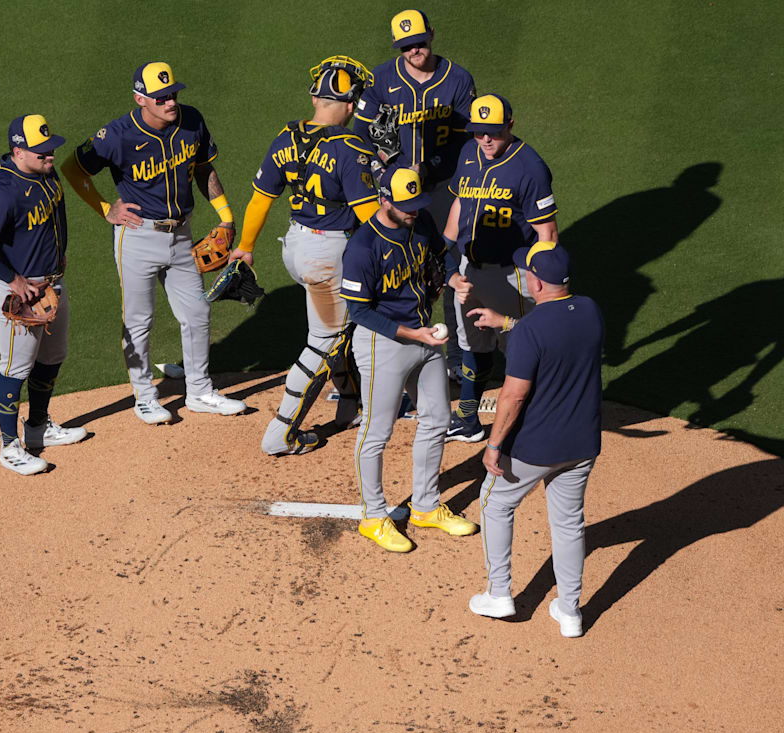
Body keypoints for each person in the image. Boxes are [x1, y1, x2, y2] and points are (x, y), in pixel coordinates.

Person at [61, 61, 246, 424]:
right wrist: (104, 208)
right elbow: (72, 168)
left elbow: (204, 167)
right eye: (161, 97)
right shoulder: (115, 135)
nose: (170, 101)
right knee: (138, 321)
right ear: (140, 98)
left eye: (173, 93)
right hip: (137, 237)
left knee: (197, 313)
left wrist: (226, 216)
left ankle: (199, 391)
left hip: (181, 236)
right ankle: (145, 397)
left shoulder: (191, 120)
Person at [226, 61, 381, 456]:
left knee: (339, 331)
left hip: (294, 246)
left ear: (315, 97)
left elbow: (262, 199)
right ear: (352, 104)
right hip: (329, 257)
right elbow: (369, 218)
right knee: (324, 343)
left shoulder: (288, 135)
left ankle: (351, 403)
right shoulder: (351, 148)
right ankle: (280, 433)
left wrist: (245, 246)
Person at [464, 242, 603, 638]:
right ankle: (570, 611)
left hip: (536, 446)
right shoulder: (591, 310)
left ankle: (499, 594)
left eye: (526, 272)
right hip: (582, 444)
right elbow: (552, 335)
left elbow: (513, 395)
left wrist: (493, 445)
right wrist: (506, 323)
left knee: (494, 500)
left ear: (537, 283)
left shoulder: (532, 331)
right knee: (569, 524)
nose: (523, 276)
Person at [340, 167, 477, 553]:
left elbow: (441, 255)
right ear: (385, 200)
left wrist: (452, 279)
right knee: (376, 430)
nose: (414, 212)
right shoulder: (363, 247)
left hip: (424, 334)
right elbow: (359, 312)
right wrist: (412, 334)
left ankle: (426, 506)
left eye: (417, 205)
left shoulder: (421, 220)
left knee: (437, 418)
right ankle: (372, 517)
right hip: (381, 343)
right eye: (406, 206)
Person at [351, 9, 478, 383]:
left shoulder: (457, 80)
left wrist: (432, 164)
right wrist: (383, 171)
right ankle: (390, 358)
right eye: (406, 46)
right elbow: (361, 135)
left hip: (440, 190)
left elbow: (468, 136)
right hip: (393, 197)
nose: (414, 51)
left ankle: (456, 356)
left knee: (451, 267)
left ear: (432, 36)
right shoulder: (380, 79)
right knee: (393, 272)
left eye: (419, 43)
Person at [0, 114, 88, 476]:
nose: (51, 156)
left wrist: (60, 249)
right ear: (19, 151)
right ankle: (9, 446)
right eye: (42, 152)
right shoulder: (4, 190)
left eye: (51, 149)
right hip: (20, 291)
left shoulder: (46, 174)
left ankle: (38, 427)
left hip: (51, 284)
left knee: (53, 356)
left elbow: (57, 212)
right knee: (16, 367)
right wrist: (14, 280)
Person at [442, 93, 559, 442]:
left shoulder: (530, 168)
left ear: (510, 124)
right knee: (472, 343)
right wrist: (444, 248)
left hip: (514, 274)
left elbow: (547, 232)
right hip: (471, 270)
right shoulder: (468, 152)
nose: (486, 139)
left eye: (492, 131)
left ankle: (539, 424)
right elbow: (461, 202)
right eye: (479, 132)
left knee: (522, 348)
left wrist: (546, 282)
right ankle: (468, 419)